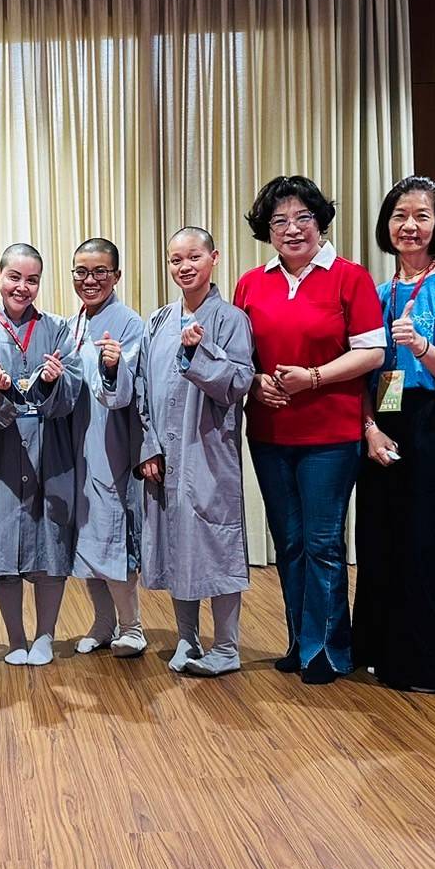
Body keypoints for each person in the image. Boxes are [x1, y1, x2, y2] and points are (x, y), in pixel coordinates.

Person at [234, 175, 385, 685]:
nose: (292, 229)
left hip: (331, 435)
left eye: (303, 218)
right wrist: (255, 381)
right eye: (279, 221)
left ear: (321, 222)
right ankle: (300, 642)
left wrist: (314, 378)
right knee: (289, 543)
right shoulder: (251, 284)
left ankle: (329, 650)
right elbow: (239, 357)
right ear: (267, 230)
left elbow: (372, 352)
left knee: (323, 543)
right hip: (270, 433)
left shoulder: (350, 278)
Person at [350, 178, 435, 698]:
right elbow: (368, 376)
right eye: (400, 215)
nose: (409, 226)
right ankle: (385, 654)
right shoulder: (377, 292)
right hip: (386, 418)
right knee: (383, 539)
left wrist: (421, 346)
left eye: (421, 216)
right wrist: (370, 429)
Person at [122, 227, 255, 676]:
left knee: (216, 543)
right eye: (176, 259)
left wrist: (201, 351)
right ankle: (187, 638)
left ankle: (228, 647)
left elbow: (239, 382)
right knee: (177, 543)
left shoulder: (231, 319)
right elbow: (141, 388)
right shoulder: (158, 321)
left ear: (214, 258)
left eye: (194, 257)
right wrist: (148, 448)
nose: (184, 266)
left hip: (209, 453)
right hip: (164, 457)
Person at [0, 244, 76, 666]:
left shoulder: (57, 329)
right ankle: (15, 638)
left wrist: (53, 381)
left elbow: (73, 391)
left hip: (48, 450)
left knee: (50, 543)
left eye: (32, 280)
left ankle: (45, 636)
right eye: (14, 277)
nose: (22, 287)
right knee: (2, 542)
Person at [64, 238, 147, 657]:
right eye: (82, 271)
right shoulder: (74, 323)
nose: (90, 280)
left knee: (111, 534)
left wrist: (113, 367)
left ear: (117, 275)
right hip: (76, 445)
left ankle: (132, 627)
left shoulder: (128, 323)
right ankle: (102, 622)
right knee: (87, 536)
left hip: (111, 446)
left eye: (100, 271)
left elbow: (121, 393)